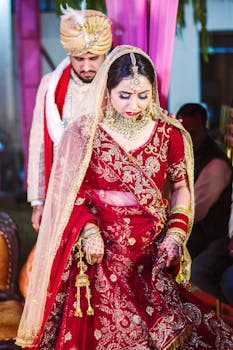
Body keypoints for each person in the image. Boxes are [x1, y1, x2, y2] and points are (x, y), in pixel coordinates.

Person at [16, 46, 233, 349]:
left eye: (143, 96)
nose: (134, 105)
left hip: (151, 253)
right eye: (125, 96)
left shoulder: (168, 134)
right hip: (100, 253)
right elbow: (71, 194)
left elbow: (181, 187)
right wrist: (89, 231)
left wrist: (175, 234)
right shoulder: (86, 133)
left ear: (153, 91)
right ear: (108, 91)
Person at [28, 5, 112, 231]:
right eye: (78, 58)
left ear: (106, 52)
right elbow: (38, 144)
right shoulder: (51, 85)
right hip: (63, 194)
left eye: (93, 58)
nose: (86, 66)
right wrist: (38, 201)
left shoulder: (119, 85)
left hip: (109, 196)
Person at [176, 103, 233, 306]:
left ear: (205, 131)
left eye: (194, 133)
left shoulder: (215, 164)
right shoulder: (181, 157)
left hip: (211, 237)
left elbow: (194, 212)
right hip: (192, 234)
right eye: (183, 133)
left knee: (196, 273)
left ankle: (217, 326)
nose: (188, 139)